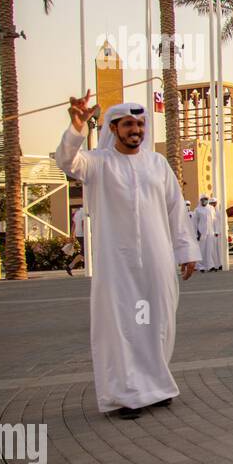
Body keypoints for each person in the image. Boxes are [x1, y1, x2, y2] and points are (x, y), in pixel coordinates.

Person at [54, 96, 198, 418]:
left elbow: (176, 209)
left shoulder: (157, 164)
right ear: (114, 128)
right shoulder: (97, 162)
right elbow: (67, 162)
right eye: (129, 124)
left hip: (156, 258)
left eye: (140, 124)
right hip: (117, 262)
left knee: (156, 320)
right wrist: (77, 126)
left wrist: (186, 250)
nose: (136, 130)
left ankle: (156, 386)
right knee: (123, 325)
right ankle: (128, 394)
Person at [66, 206, 87, 275]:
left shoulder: (77, 212)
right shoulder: (85, 211)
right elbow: (84, 223)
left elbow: (73, 225)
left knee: (85, 252)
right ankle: (70, 266)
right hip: (83, 235)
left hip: (78, 235)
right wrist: (86, 234)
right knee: (84, 252)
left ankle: (70, 266)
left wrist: (72, 236)